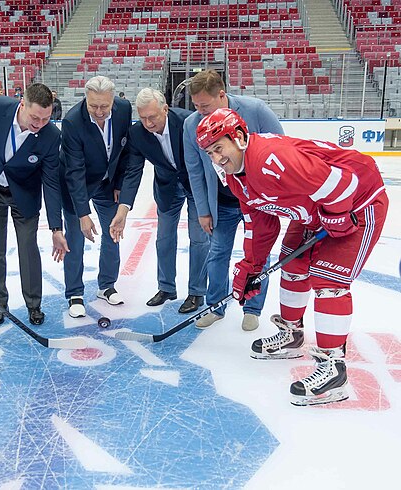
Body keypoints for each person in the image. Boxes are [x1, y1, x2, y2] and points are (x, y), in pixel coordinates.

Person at [196, 108, 388, 406]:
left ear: (239, 137)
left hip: (357, 203)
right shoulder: (236, 178)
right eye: (210, 153)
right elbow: (260, 224)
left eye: (219, 148)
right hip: (316, 210)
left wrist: (336, 217)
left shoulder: (271, 160)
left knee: (328, 280)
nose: (217, 159)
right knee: (292, 263)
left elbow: (341, 184)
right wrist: (251, 268)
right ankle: (292, 335)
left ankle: (334, 370)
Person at [183, 69, 284, 331]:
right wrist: (203, 210)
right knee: (217, 254)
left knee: (258, 255)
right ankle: (215, 306)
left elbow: (282, 149)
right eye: (195, 106)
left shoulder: (256, 110)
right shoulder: (191, 124)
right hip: (223, 202)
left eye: (205, 105)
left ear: (222, 95)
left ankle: (253, 308)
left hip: (257, 201)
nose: (200, 112)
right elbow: (194, 170)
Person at [0, 83, 69, 327]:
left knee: (27, 248)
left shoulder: (52, 136)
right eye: (35, 117)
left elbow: (51, 183)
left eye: (46, 118)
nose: (40, 124)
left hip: (25, 196)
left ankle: (34, 305)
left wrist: (57, 228)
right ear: (22, 103)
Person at [110, 88, 209, 314]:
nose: (147, 122)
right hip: (167, 189)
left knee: (199, 239)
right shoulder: (137, 134)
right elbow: (133, 172)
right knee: (164, 238)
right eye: (142, 117)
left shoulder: (187, 122)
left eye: (152, 117)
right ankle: (166, 288)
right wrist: (124, 208)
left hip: (196, 186)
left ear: (165, 109)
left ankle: (196, 292)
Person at [60, 75, 131, 318]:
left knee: (113, 232)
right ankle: (75, 293)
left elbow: (124, 151)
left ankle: (107, 285)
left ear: (113, 100)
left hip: (108, 183)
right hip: (77, 185)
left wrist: (119, 183)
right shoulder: (72, 122)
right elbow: (74, 170)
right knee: (76, 238)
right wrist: (83, 213)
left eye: (104, 106)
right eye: (93, 106)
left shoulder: (123, 110)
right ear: (85, 99)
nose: (99, 111)